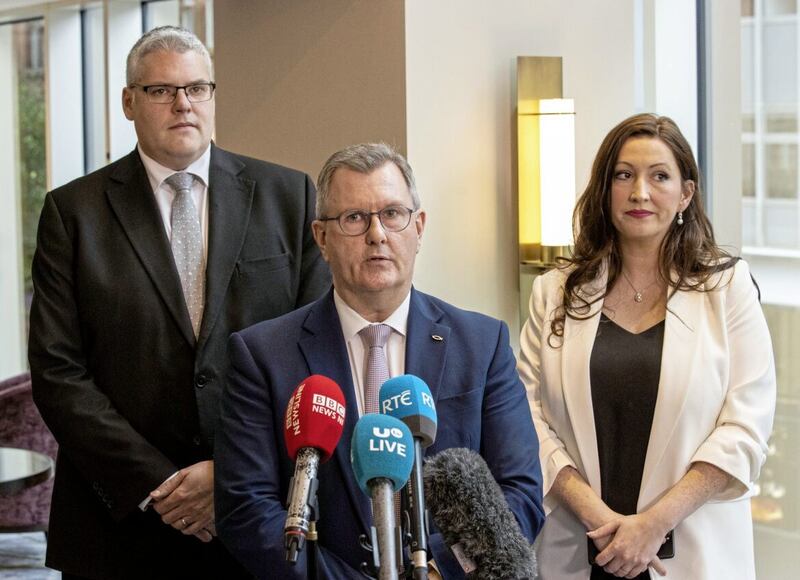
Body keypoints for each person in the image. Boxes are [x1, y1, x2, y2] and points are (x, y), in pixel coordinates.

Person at [27, 26, 330, 579]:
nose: (183, 103)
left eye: (197, 88)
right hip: (119, 528)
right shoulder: (74, 214)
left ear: (213, 96)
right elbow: (57, 372)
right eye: (161, 90)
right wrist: (160, 485)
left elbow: (314, 359)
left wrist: (232, 472)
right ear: (128, 102)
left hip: (259, 519)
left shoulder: (290, 196)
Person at [214, 142, 545, 579]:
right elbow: (248, 510)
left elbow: (519, 493)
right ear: (321, 238)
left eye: (392, 214)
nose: (377, 234)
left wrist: (437, 572)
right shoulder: (262, 355)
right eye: (354, 218)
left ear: (419, 227)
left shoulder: (483, 344)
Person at [518, 113, 776, 579]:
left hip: (691, 555)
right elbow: (528, 421)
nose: (640, 192)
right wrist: (604, 523)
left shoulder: (727, 288)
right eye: (624, 175)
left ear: (686, 194)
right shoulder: (554, 292)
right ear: (605, 189)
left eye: (660, 176)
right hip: (580, 550)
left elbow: (746, 428)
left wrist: (653, 525)